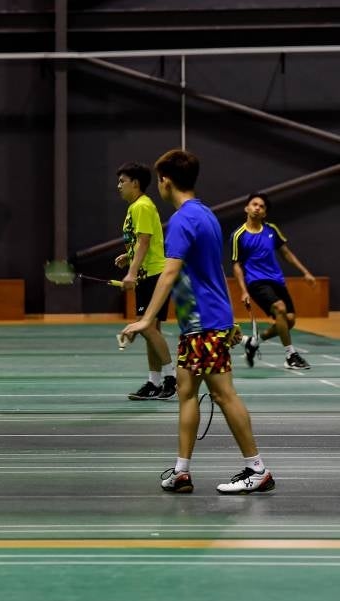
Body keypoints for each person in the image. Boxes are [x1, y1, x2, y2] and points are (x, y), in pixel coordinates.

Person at [121, 150, 274, 495]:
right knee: (187, 392)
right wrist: (229, 317)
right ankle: (181, 471)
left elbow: (170, 271)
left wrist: (146, 320)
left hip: (204, 323)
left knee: (223, 395)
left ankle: (257, 468)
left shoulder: (181, 221)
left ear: (166, 181)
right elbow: (212, 272)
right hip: (200, 322)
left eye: (159, 179)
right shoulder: (205, 214)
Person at [231, 192, 316, 370]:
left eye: (261, 207)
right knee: (280, 308)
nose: (257, 208)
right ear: (246, 208)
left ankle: (254, 342)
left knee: (289, 320)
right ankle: (290, 355)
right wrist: (244, 290)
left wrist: (305, 272)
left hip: (276, 280)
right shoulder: (238, 235)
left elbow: (286, 253)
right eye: (254, 204)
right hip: (255, 282)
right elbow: (237, 265)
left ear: (265, 213)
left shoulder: (271, 230)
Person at [113, 162, 176, 401]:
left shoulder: (141, 206)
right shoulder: (136, 207)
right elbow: (141, 242)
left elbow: (145, 241)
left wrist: (131, 271)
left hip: (153, 274)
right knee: (151, 329)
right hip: (148, 272)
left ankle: (170, 379)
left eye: (122, 181)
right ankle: (154, 382)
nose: (119, 186)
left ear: (135, 183)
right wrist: (127, 256)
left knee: (147, 327)